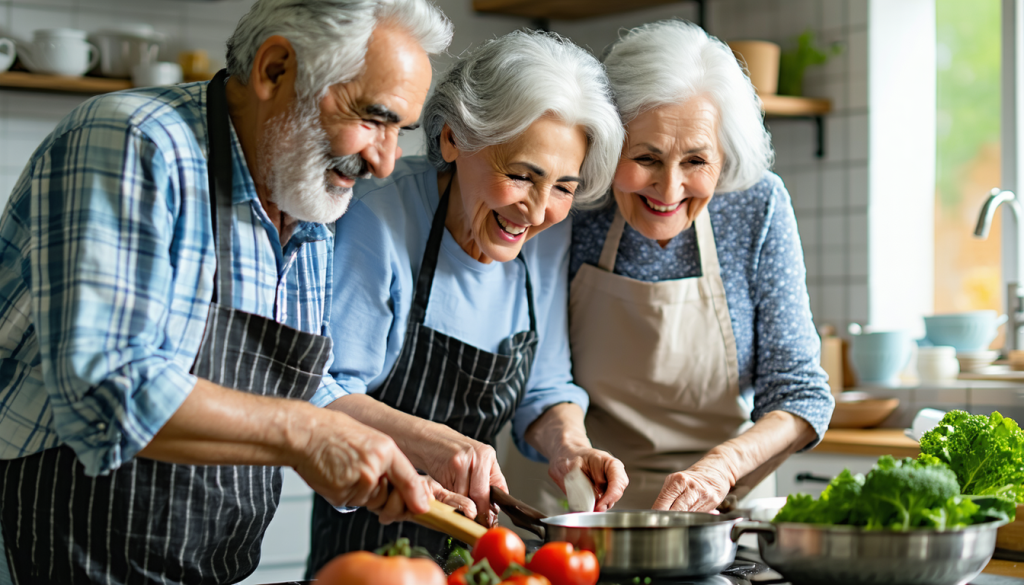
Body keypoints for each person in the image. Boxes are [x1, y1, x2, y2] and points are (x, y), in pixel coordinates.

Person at [0, 1, 457, 583]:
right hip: (56, 549)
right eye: (373, 117)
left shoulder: (305, 190)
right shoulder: (134, 143)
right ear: (274, 69)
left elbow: (296, 385)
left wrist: (421, 444)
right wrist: (308, 436)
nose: (386, 162)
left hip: (206, 565)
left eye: (400, 130)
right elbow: (108, 389)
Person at [304, 30, 628, 574]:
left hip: (475, 555)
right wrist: (429, 441)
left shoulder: (544, 237)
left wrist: (570, 446)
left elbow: (545, 390)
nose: (538, 210)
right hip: (369, 547)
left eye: (564, 187)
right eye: (521, 176)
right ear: (454, 138)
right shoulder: (379, 218)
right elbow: (322, 389)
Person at [557, 20, 835, 512]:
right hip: (581, 503)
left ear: (724, 156)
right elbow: (540, 375)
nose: (669, 190)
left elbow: (800, 392)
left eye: (695, 161)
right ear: (607, 143)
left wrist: (720, 468)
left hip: (719, 506)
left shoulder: (756, 206)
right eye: (646, 157)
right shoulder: (572, 203)